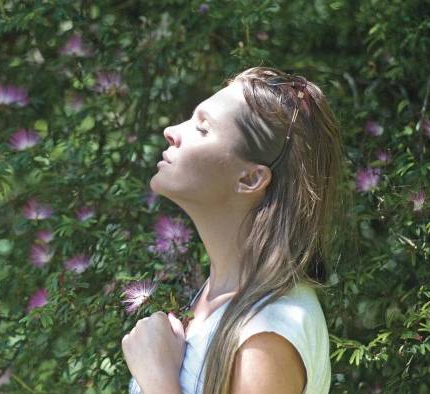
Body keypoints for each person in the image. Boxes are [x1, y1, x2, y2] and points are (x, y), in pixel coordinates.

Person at [122, 66, 346, 394]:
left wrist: (157, 379)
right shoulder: (218, 300)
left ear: (250, 179)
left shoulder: (268, 332)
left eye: (202, 128)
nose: (172, 130)